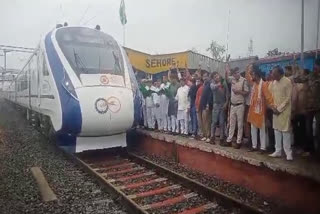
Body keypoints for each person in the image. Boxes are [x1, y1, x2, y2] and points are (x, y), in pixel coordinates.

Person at [246, 64, 275, 153]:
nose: (252, 76)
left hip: (261, 111)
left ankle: (263, 148)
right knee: (253, 128)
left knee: (262, 129)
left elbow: (268, 97)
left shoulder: (264, 85)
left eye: (254, 75)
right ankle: (254, 146)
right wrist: (249, 69)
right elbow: (248, 78)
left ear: (257, 76)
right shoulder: (254, 84)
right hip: (253, 111)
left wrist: (273, 106)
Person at [294, 58, 320, 157]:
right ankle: (310, 150)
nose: (316, 67)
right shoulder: (310, 76)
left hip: (318, 108)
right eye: (316, 65)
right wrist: (297, 69)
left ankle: (318, 152)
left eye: (317, 65)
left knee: (318, 131)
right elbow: (297, 79)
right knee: (308, 130)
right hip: (309, 107)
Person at [269, 66, 293, 161]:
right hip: (275, 110)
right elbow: (270, 96)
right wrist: (273, 107)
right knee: (277, 130)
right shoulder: (273, 83)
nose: (272, 75)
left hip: (284, 110)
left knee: (285, 131)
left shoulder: (287, 81)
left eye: (274, 73)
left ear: (280, 73)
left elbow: (288, 98)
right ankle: (278, 151)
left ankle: (288, 153)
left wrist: (279, 109)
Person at [223, 67, 249, 148]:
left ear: (239, 72)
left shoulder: (243, 80)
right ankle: (229, 140)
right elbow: (227, 79)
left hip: (240, 105)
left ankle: (238, 141)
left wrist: (238, 92)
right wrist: (226, 70)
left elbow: (246, 92)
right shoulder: (232, 79)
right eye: (234, 73)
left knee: (240, 124)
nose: (236, 74)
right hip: (233, 105)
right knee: (231, 123)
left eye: (237, 73)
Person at [292, 68, 309, 154]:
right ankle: (304, 147)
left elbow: (294, 100)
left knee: (297, 130)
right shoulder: (306, 86)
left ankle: (298, 146)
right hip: (305, 111)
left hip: (298, 112)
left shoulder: (297, 87)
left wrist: (293, 111)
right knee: (303, 129)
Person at [210, 73, 229, 144]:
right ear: (213, 78)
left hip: (222, 104)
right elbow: (213, 88)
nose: (217, 77)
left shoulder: (224, 84)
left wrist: (226, 103)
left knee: (222, 122)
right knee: (214, 122)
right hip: (216, 105)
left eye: (217, 76)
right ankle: (212, 137)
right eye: (215, 77)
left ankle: (221, 138)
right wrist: (219, 84)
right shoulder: (212, 84)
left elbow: (227, 94)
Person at [199, 72, 213, 142]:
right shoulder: (204, 84)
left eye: (206, 76)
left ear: (208, 77)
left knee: (207, 121)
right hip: (202, 105)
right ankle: (204, 135)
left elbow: (210, 95)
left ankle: (208, 136)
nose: (204, 78)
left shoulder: (210, 84)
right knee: (203, 121)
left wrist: (208, 104)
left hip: (207, 106)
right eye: (203, 76)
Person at [167, 68, 180, 134]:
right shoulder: (170, 85)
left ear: (175, 79)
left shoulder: (178, 85)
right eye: (171, 79)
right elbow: (168, 93)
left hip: (176, 103)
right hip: (171, 102)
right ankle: (172, 129)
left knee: (176, 117)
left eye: (172, 79)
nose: (171, 80)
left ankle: (177, 130)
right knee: (171, 116)